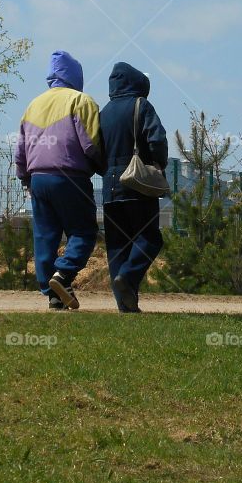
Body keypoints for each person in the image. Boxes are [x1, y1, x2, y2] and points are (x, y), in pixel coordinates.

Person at [15, 50, 104, 310]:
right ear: (76, 76)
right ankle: (63, 274)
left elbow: (20, 149)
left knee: (45, 236)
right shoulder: (80, 100)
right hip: (71, 176)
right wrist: (102, 166)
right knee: (84, 231)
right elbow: (91, 143)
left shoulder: (33, 104)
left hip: (38, 178)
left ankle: (53, 294)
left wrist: (25, 178)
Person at [99, 62, 168, 313]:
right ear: (137, 83)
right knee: (150, 237)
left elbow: (95, 150)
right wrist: (159, 164)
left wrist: (105, 171)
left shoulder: (104, 112)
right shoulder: (141, 105)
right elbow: (156, 138)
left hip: (109, 188)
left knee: (117, 245)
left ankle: (125, 304)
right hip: (138, 183)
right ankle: (128, 277)